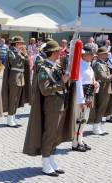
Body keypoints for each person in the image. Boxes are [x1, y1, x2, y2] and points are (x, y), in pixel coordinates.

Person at [23, 40, 76, 177]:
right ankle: (45, 162)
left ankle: (52, 160)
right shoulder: (44, 69)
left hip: (61, 103)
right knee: (50, 134)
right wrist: (62, 82)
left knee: (56, 134)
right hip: (52, 106)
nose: (60, 53)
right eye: (58, 51)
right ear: (52, 53)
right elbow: (45, 90)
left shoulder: (56, 67)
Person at [72, 46, 98, 152]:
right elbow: (78, 84)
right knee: (79, 119)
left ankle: (80, 140)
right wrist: (81, 100)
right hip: (82, 96)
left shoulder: (89, 66)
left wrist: (96, 84)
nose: (92, 56)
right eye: (91, 54)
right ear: (85, 55)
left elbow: (91, 79)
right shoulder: (80, 66)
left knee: (84, 119)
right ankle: (75, 143)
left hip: (89, 94)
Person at [88, 47, 112, 135]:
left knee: (104, 108)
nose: (107, 55)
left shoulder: (104, 63)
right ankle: (96, 126)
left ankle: (99, 125)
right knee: (100, 107)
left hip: (106, 88)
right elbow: (104, 78)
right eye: (105, 54)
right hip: (102, 88)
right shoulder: (98, 64)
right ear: (100, 55)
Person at [2, 36, 30, 128]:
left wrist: (25, 54)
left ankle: (13, 117)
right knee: (12, 99)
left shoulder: (21, 52)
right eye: (19, 43)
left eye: (22, 43)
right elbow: (13, 62)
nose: (21, 45)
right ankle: (9, 119)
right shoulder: (11, 52)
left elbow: (27, 63)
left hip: (20, 78)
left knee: (17, 99)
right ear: (15, 44)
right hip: (14, 78)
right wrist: (19, 53)